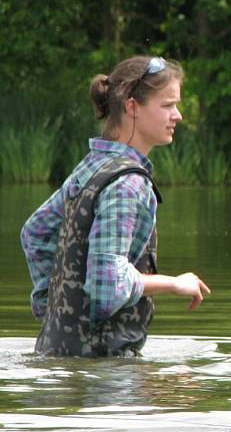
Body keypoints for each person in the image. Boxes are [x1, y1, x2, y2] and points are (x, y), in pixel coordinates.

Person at [21, 55, 211, 357]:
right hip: (105, 372)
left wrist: (57, 312)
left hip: (56, 352)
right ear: (132, 106)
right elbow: (108, 286)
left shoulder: (93, 165)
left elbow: (35, 233)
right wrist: (174, 283)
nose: (178, 115)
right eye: (167, 105)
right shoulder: (128, 183)